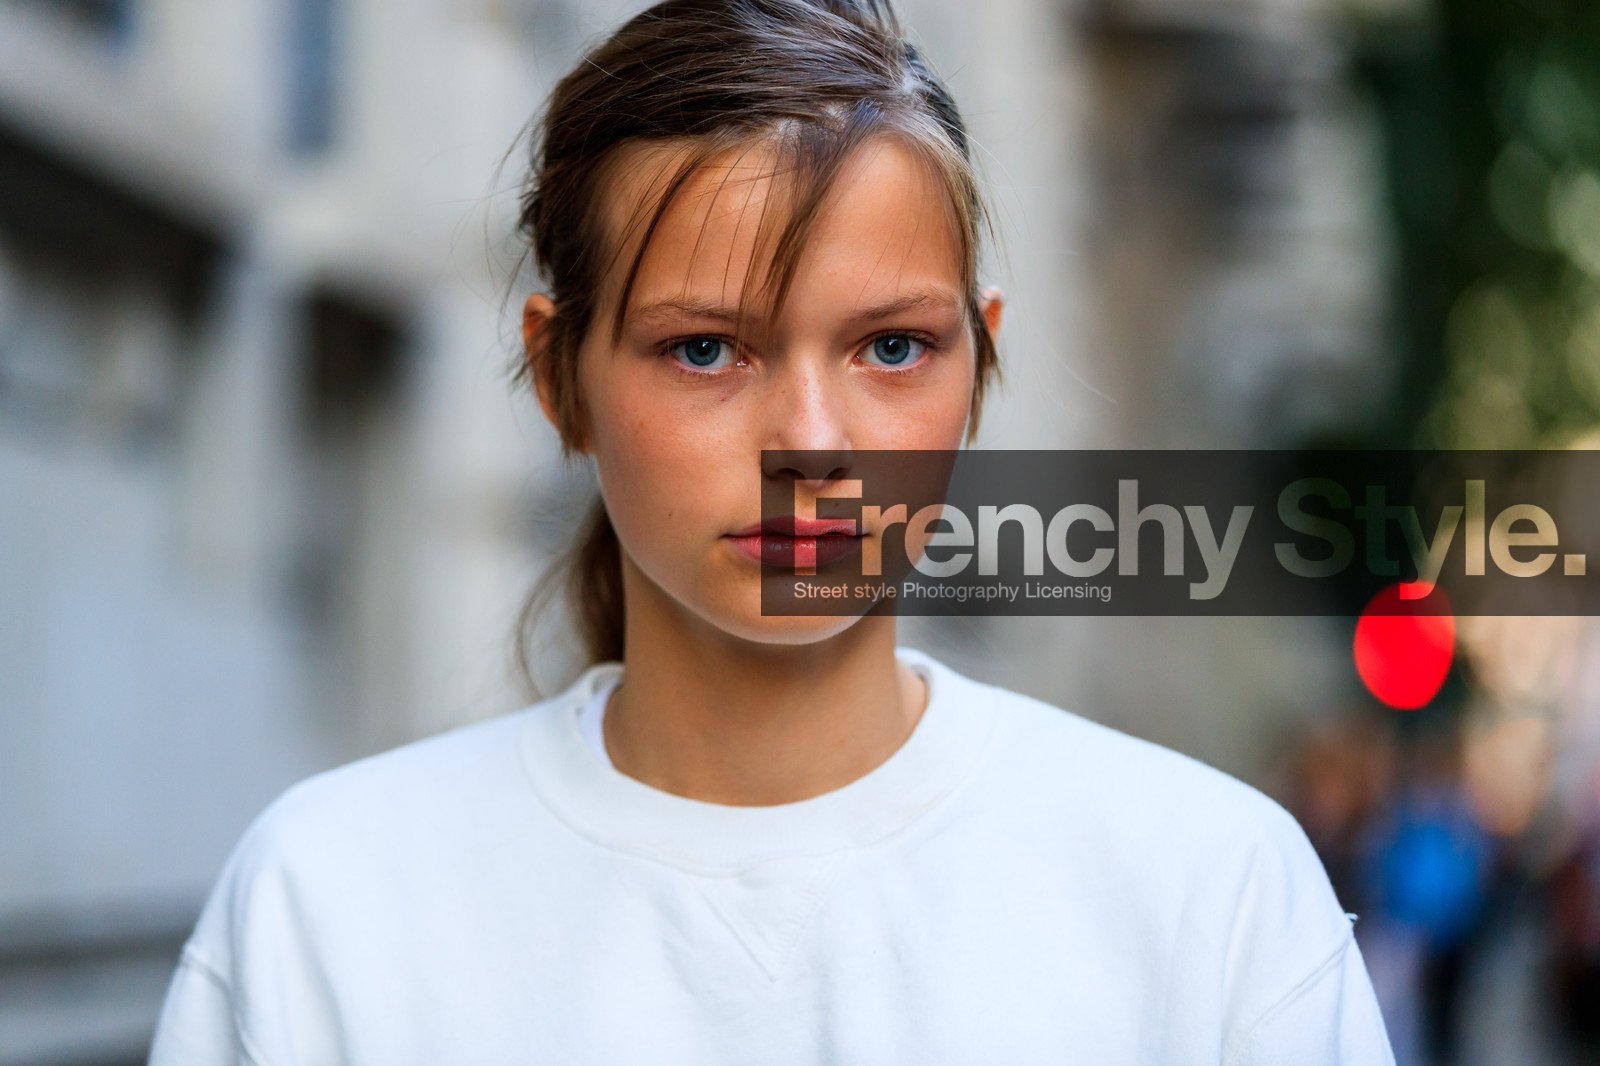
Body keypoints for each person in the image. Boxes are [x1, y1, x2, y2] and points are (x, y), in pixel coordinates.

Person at [147, 0, 1396, 1062]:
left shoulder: (1210, 897)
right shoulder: (332, 908)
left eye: (891, 347)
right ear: (558, 376)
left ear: (983, 359)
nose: (809, 439)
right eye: (705, 349)